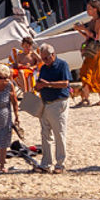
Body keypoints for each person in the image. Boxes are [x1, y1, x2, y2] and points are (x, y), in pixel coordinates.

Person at [33, 43, 71, 173]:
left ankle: (60, 164)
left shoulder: (62, 65)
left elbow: (66, 83)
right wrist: (38, 86)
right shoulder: (43, 68)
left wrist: (48, 84)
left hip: (58, 102)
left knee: (59, 133)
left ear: (53, 55)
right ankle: (46, 163)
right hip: (45, 103)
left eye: (47, 58)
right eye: (43, 58)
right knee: (45, 134)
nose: (45, 61)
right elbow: (40, 83)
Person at [73, 0, 100, 107]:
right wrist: (79, 30)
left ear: (95, 9)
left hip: (95, 50)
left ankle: (85, 98)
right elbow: (88, 37)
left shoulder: (99, 20)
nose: (87, 11)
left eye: (89, 8)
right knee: (94, 74)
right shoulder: (92, 20)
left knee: (86, 73)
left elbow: (96, 37)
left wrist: (83, 28)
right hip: (91, 49)